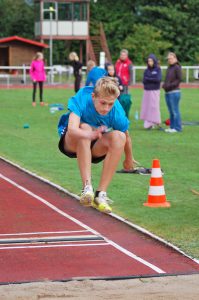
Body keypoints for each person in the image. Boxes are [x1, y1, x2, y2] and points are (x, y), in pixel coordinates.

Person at [58, 77, 136, 214]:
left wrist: (129, 158)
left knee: (119, 137)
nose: (106, 108)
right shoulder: (83, 96)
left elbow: (127, 136)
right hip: (71, 141)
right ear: (93, 96)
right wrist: (89, 134)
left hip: (95, 146)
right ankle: (87, 188)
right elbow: (72, 129)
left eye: (110, 104)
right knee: (86, 128)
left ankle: (101, 194)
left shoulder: (116, 111)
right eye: (103, 103)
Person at [140, 54, 162, 129]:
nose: (150, 62)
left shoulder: (158, 70)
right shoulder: (146, 70)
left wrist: (149, 79)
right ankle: (148, 124)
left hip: (155, 91)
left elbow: (158, 79)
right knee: (147, 107)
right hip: (147, 91)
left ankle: (157, 122)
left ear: (154, 61)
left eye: (151, 61)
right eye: (149, 61)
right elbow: (144, 80)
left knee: (154, 107)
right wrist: (151, 79)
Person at [162, 52, 182, 133]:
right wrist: (164, 85)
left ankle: (177, 128)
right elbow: (167, 80)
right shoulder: (169, 68)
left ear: (175, 58)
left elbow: (179, 79)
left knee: (175, 110)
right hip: (168, 92)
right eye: (168, 59)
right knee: (171, 111)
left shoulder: (177, 67)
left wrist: (169, 86)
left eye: (171, 58)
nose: (169, 60)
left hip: (174, 92)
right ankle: (172, 127)